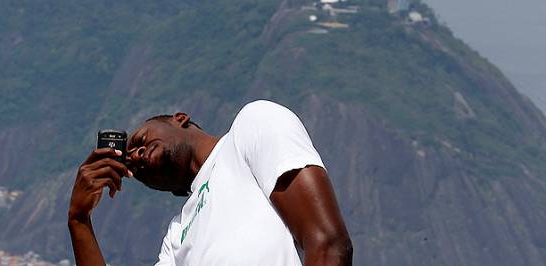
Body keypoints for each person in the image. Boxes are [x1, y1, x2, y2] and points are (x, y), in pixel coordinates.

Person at [68, 100, 352, 265]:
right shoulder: (176, 235)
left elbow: (328, 244)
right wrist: (79, 220)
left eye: (140, 140)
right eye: (132, 165)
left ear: (180, 119)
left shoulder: (251, 126)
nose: (136, 154)